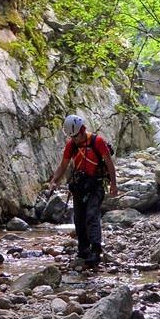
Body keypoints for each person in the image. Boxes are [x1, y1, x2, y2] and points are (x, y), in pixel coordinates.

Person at [48, 114, 117, 267]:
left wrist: (113, 184)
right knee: (79, 218)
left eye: (77, 136)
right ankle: (83, 249)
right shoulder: (71, 145)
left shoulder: (97, 142)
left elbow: (109, 163)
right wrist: (54, 181)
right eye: (72, 137)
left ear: (82, 130)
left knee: (92, 215)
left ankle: (96, 250)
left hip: (96, 184)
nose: (75, 139)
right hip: (80, 186)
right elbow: (63, 166)